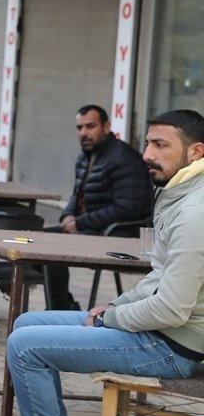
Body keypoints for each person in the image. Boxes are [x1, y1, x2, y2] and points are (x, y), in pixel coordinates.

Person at [0, 109, 204, 416]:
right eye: (148, 142)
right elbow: (157, 276)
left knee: (25, 347)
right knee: (26, 324)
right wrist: (112, 307)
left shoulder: (194, 211)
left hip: (173, 346)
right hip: (160, 331)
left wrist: (113, 321)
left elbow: (172, 308)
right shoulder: (180, 194)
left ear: (195, 153)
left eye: (160, 145)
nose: (147, 154)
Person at [45, 104, 155, 310]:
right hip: (93, 228)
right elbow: (77, 195)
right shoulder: (85, 157)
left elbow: (126, 208)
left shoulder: (124, 159)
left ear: (106, 127)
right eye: (79, 128)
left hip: (119, 233)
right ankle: (62, 305)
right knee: (38, 239)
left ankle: (59, 307)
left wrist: (80, 222)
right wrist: (67, 215)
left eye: (90, 126)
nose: (84, 133)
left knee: (50, 248)